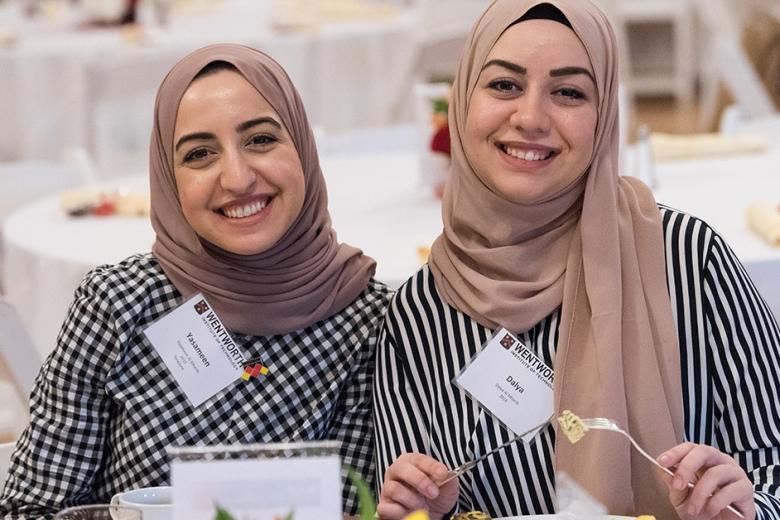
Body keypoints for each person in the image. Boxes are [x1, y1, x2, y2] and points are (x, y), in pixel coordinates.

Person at [373, 2, 780, 519]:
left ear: (605, 113)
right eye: (504, 86)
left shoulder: (687, 260)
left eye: (568, 92)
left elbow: (774, 466)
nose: (530, 118)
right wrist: (425, 511)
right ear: (462, 102)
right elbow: (411, 509)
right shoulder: (419, 314)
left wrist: (745, 506)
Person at [0, 44, 392, 517]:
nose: (237, 177)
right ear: (168, 178)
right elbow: (29, 509)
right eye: (200, 154)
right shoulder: (121, 305)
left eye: (261, 140)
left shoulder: (374, 323)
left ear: (303, 149)